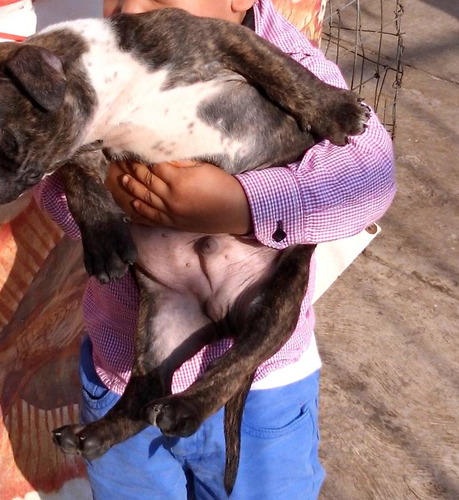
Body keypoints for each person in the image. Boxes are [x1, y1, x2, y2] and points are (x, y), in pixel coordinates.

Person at [34, 0, 396, 498]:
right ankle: (124, 421)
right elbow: (45, 174)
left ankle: (210, 394)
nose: (132, 11)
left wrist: (242, 205)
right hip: (123, 371)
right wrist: (112, 193)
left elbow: (370, 175)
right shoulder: (98, 57)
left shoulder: (280, 51)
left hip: (263, 392)